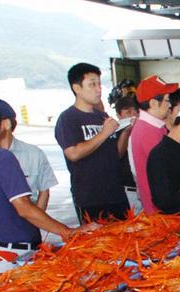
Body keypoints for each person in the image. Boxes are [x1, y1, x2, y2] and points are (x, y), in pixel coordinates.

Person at [0, 102, 97, 280]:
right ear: (2, 124)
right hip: (8, 253)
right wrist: (67, 232)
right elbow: (23, 207)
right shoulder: (1, 157)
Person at [55, 62, 131, 223]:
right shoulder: (68, 118)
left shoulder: (101, 116)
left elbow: (116, 154)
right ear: (77, 88)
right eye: (92, 84)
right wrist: (104, 133)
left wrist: (125, 131)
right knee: (98, 244)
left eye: (99, 83)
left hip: (116, 193)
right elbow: (73, 153)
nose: (99, 89)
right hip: (91, 198)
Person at [0, 99, 59, 214]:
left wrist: (33, 225)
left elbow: (44, 191)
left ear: (6, 124)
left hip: (26, 228)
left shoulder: (34, 154)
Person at [129, 75, 178, 214]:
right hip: (159, 208)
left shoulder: (155, 126)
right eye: (167, 101)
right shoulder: (147, 132)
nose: (170, 105)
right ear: (153, 103)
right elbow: (168, 168)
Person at [113, 96, 141, 214]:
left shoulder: (143, 131)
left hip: (144, 189)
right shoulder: (114, 134)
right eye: (128, 112)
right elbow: (118, 154)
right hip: (129, 192)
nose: (134, 115)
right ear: (119, 116)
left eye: (136, 111)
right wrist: (127, 131)